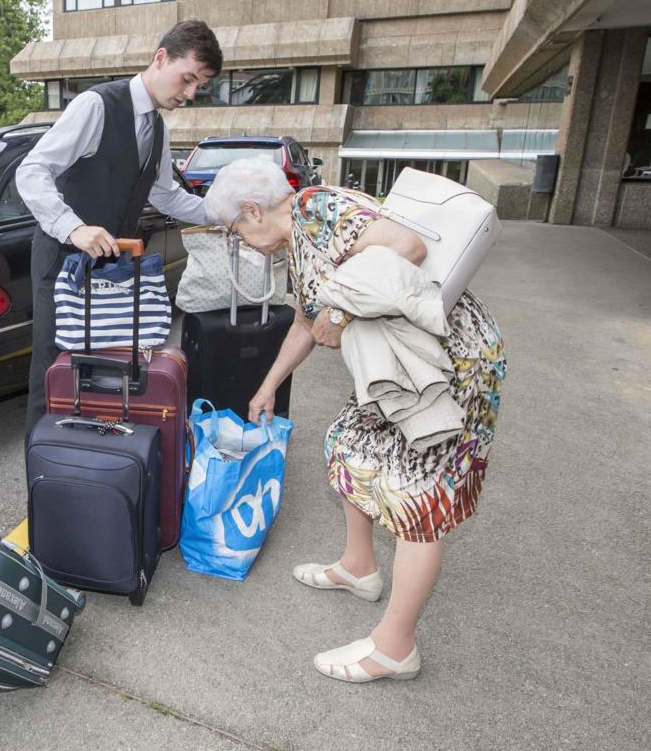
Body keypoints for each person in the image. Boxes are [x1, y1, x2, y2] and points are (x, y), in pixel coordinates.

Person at [203, 159, 507, 683]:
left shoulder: (320, 207)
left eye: (236, 232)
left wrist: (340, 314)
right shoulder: (299, 241)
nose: (244, 244)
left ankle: (394, 647)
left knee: (420, 498)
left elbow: (407, 248)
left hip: (445, 366)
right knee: (348, 445)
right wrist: (267, 386)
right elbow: (305, 320)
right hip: (397, 365)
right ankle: (359, 567)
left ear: (251, 210)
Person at [16, 20, 223, 435]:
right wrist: (73, 228)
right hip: (63, 265)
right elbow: (32, 169)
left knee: (102, 374)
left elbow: (165, 195)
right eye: (187, 79)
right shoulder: (96, 105)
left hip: (112, 270)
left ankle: (91, 473)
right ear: (160, 57)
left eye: (199, 86)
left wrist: (223, 213)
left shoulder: (157, 128)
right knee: (53, 374)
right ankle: (45, 485)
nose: (189, 94)